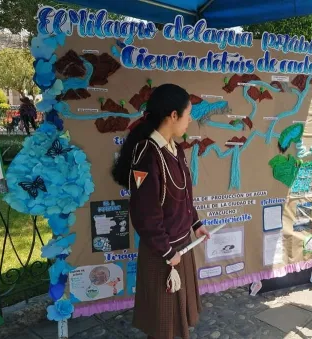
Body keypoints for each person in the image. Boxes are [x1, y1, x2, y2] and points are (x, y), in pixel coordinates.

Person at [112, 84, 210, 339]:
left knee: (177, 320)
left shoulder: (175, 148)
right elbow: (144, 213)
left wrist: (196, 224)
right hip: (162, 253)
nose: (190, 121)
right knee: (162, 324)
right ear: (173, 116)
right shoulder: (147, 153)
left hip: (180, 246)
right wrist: (167, 251)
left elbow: (183, 196)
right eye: (188, 115)